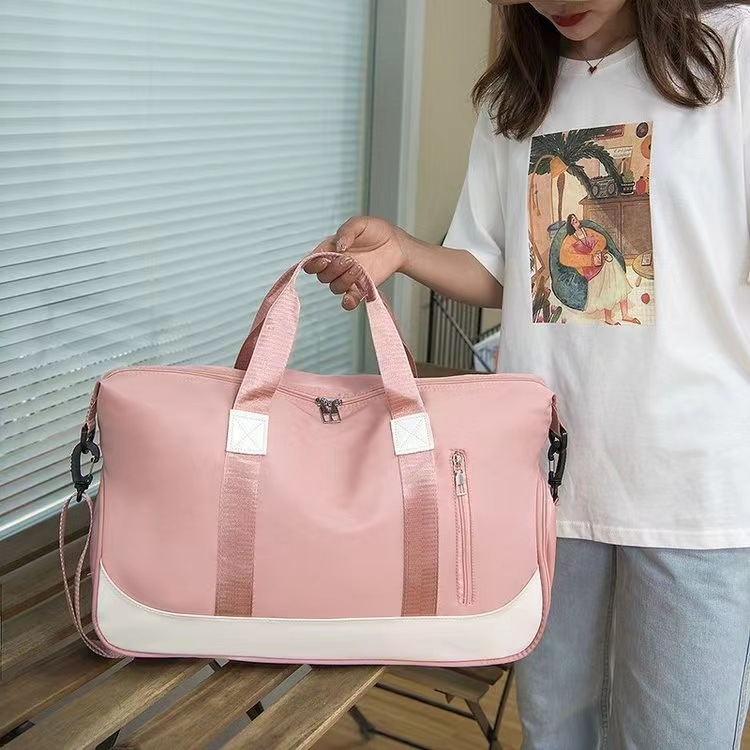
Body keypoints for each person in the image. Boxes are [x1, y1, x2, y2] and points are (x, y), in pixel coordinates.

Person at [305, 2, 750, 748]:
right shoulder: (516, 96)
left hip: (697, 491)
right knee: (554, 730)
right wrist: (404, 251)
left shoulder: (730, 53)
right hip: (548, 486)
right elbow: (503, 266)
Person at [556, 214, 639, 324]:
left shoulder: (587, 231)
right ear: (570, 225)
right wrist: (589, 259)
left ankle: (625, 315)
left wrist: (595, 252)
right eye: (573, 221)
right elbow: (565, 258)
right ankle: (608, 318)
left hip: (602, 258)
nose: (576, 221)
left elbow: (601, 239)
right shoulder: (568, 240)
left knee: (621, 281)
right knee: (608, 288)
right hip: (589, 268)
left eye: (575, 219)